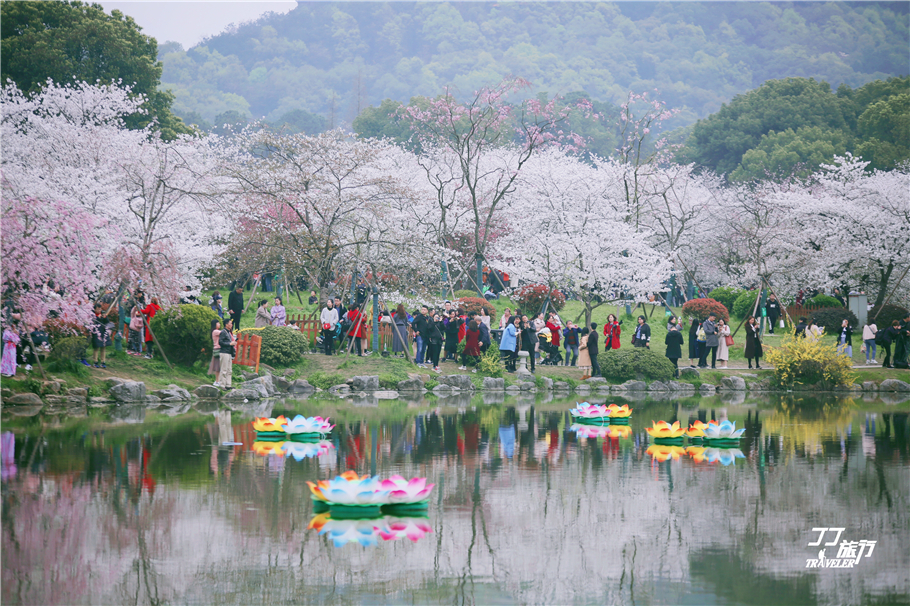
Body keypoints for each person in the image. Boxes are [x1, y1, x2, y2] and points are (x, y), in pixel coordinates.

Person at [91, 303, 112, 368]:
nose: (99, 310)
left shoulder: (102, 314)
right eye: (97, 309)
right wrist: (98, 318)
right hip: (96, 333)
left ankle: (103, 362)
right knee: (96, 348)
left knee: (103, 348)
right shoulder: (93, 315)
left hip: (103, 333)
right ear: (94, 309)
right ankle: (95, 361)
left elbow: (107, 322)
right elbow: (94, 323)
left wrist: (105, 317)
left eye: (100, 309)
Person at [217, 319, 236, 389]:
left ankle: (228, 384)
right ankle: (222, 385)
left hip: (229, 353)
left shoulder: (228, 332)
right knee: (224, 370)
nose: (231, 325)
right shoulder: (223, 332)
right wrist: (230, 343)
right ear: (226, 324)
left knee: (229, 370)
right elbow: (220, 342)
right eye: (230, 323)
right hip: (224, 352)